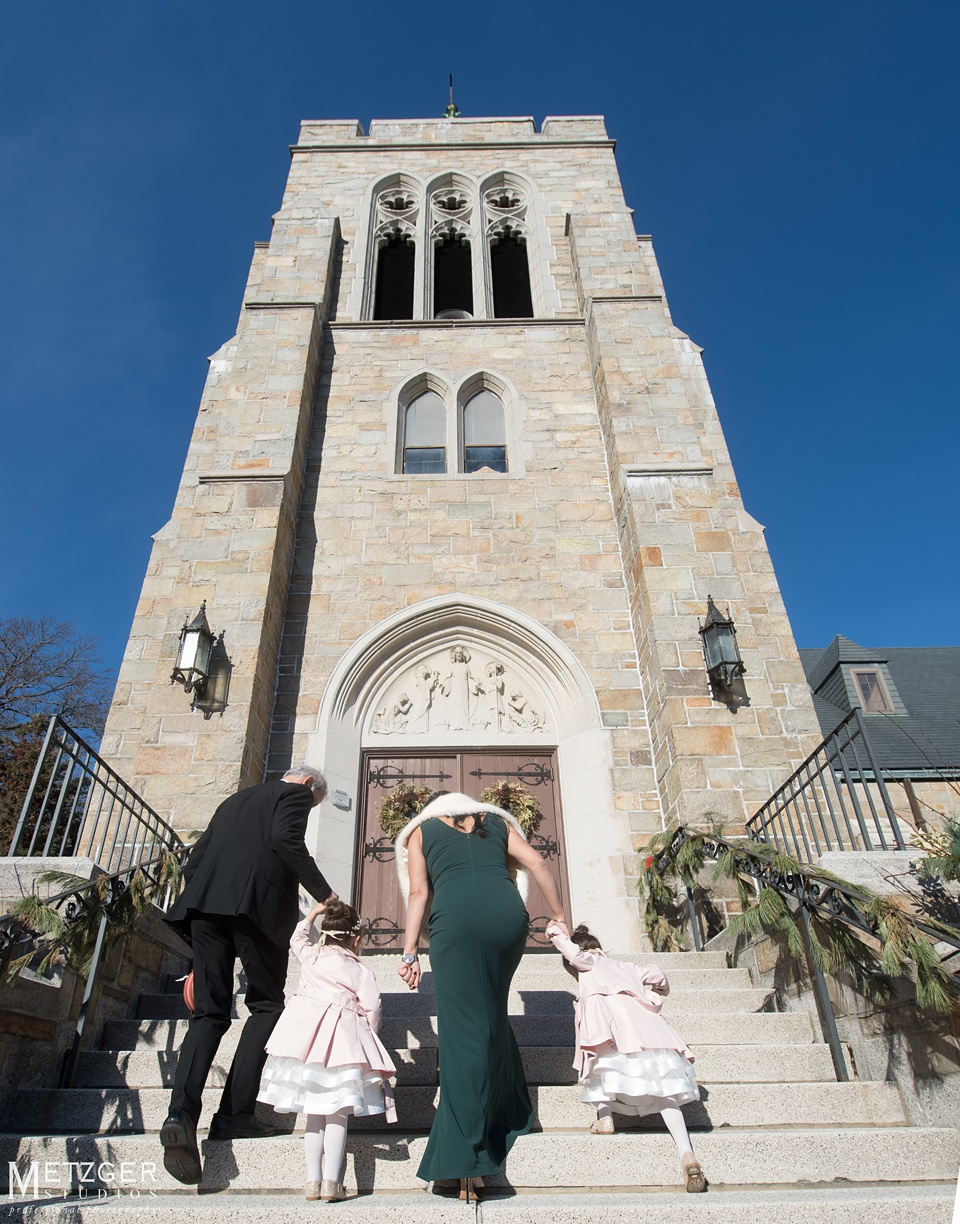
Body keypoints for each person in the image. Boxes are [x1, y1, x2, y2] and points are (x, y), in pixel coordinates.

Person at [160, 766, 336, 1185]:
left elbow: (194, 862)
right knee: (267, 1006)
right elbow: (285, 841)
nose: (309, 807)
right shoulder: (294, 795)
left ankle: (180, 1114)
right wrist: (326, 896)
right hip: (255, 911)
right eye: (314, 802)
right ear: (307, 784)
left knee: (209, 1014)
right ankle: (234, 1114)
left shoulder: (233, 801)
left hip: (204, 909)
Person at [395, 791, 569, 1203]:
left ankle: (466, 1159)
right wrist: (560, 915)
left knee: (461, 1031)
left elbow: (418, 894)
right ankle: (505, 1109)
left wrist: (409, 951)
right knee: (489, 1014)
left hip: (455, 924)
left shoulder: (421, 832)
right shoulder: (498, 823)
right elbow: (537, 863)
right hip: (506, 919)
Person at [546, 922, 707, 1194]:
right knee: (663, 1091)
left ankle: (605, 1117)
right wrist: (660, 991)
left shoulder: (588, 963)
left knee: (601, 1067)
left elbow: (574, 955)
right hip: (648, 1032)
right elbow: (657, 974)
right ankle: (686, 1154)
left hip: (613, 1031)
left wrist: (554, 932)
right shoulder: (627, 967)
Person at [257, 898, 397, 1202]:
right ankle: (332, 1183)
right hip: (343, 1047)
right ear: (355, 939)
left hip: (305, 1046)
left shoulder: (312, 956)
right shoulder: (360, 971)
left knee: (313, 1115)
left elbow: (296, 939)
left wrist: (314, 913)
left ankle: (312, 1182)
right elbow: (373, 1009)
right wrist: (368, 1036)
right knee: (337, 1115)